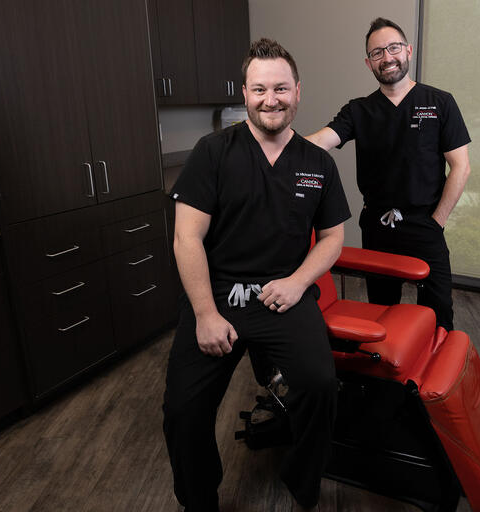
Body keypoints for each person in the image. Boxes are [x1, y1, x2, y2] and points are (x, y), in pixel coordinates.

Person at [163, 38, 351, 512]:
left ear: (298, 91)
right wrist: (205, 314)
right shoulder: (212, 152)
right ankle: (199, 500)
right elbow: (186, 238)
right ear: (245, 93)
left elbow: (332, 237)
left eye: (281, 88)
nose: (271, 99)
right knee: (183, 410)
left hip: (284, 294)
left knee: (319, 385)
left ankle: (301, 481)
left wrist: (299, 282)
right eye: (260, 89)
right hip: (218, 295)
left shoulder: (317, 163)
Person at [306, 17, 471, 331]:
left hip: (426, 224)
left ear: (408, 50)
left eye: (394, 48)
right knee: (383, 312)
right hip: (378, 227)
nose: (387, 57)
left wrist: (437, 221)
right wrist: (275, 144)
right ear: (368, 63)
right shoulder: (358, 110)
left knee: (439, 314)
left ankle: (432, 361)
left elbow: (461, 166)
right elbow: (321, 141)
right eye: (377, 52)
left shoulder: (439, 102)